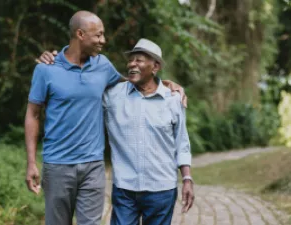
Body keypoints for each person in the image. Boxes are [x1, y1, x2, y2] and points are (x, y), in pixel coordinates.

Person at [25, 11, 186, 225]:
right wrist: (31, 163)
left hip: (93, 166)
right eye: (98, 35)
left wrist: (163, 84)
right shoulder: (46, 69)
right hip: (57, 165)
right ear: (80, 34)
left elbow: (132, 83)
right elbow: (33, 114)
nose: (103, 40)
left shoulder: (102, 65)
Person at [104, 38, 194, 225]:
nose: (132, 64)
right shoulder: (113, 96)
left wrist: (187, 178)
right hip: (124, 189)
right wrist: (58, 59)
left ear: (155, 66)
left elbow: (182, 143)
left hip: (162, 190)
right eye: (130, 60)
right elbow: (82, 85)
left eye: (139, 60)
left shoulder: (173, 100)